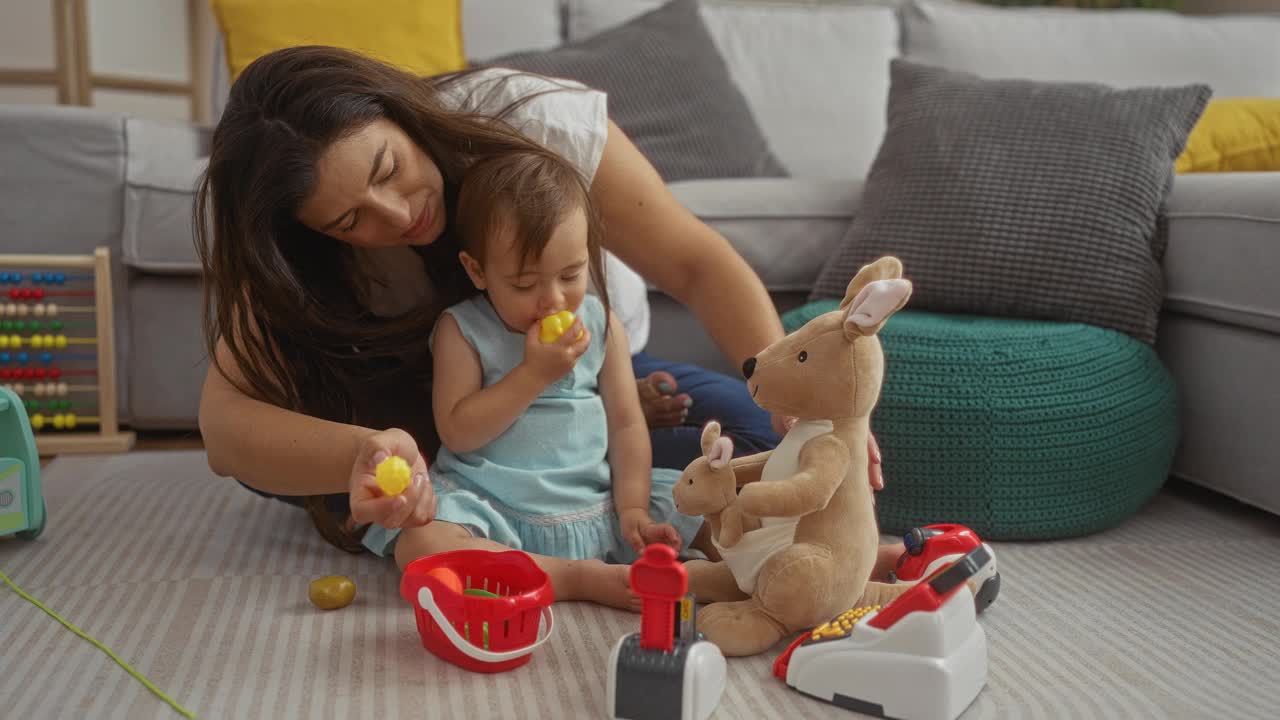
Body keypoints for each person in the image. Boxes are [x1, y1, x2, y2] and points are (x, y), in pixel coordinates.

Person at [194, 46, 898, 577]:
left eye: (388, 170)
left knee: (757, 452)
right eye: (351, 221)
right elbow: (227, 430)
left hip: (588, 384)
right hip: (428, 420)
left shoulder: (529, 121)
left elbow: (695, 264)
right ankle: (487, 516)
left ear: (396, 111)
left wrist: (793, 403)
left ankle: (599, 459)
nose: (399, 213)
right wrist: (363, 455)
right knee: (310, 466)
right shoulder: (294, 249)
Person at [361, 149, 705, 608]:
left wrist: (634, 509)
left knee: (710, 510)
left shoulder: (601, 323)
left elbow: (626, 424)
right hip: (490, 508)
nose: (554, 300)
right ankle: (574, 578)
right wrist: (533, 374)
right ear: (477, 270)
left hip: (593, 506)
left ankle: (710, 577)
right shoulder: (462, 330)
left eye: (571, 274)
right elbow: (458, 432)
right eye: (524, 284)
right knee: (420, 545)